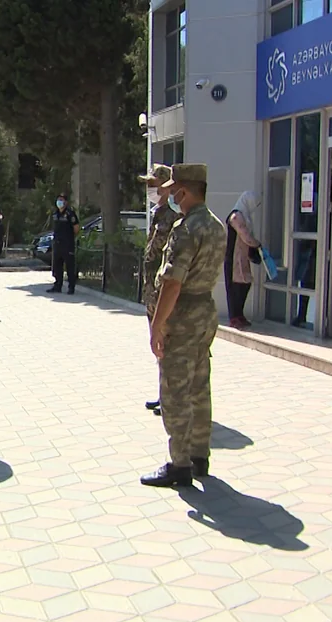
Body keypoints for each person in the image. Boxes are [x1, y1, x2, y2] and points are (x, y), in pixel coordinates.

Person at [143, 164, 227, 489]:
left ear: (186, 191)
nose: (170, 193)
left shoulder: (186, 228)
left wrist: (157, 325)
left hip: (184, 311)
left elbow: (172, 284)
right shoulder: (216, 225)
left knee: (175, 390)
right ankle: (199, 456)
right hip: (206, 309)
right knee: (199, 385)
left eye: (175, 188)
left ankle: (179, 464)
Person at [139, 165, 179, 415]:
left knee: (166, 343)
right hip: (151, 292)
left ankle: (171, 398)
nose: (149, 189)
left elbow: (160, 254)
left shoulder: (171, 218)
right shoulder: (157, 214)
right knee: (158, 346)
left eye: (153, 185)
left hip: (161, 291)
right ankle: (163, 394)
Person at [224, 191, 263, 329]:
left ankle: (239, 314)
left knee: (245, 284)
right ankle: (234, 316)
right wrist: (257, 244)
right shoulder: (236, 217)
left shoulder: (245, 216)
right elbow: (245, 236)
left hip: (242, 257)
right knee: (235, 287)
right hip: (234, 258)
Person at [48, 193, 79, 294]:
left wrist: (69, 237)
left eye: (62, 200)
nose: (59, 202)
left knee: (70, 266)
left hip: (67, 244)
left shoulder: (70, 214)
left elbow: (76, 228)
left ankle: (71, 287)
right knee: (57, 266)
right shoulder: (55, 214)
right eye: (58, 200)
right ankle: (57, 285)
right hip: (57, 244)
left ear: (66, 202)